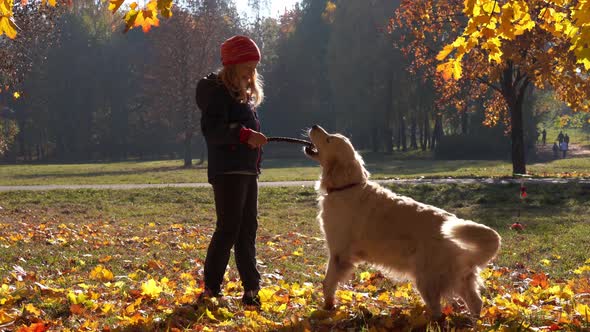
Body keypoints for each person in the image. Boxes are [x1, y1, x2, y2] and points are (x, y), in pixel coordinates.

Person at [195, 35, 267, 307]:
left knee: (248, 229)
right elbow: (213, 131)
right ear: (233, 65)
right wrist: (246, 134)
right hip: (228, 172)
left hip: (247, 171)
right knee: (228, 229)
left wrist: (253, 140)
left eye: (254, 67)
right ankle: (212, 288)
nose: (252, 73)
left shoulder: (243, 95)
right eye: (247, 66)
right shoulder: (216, 91)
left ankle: (251, 289)